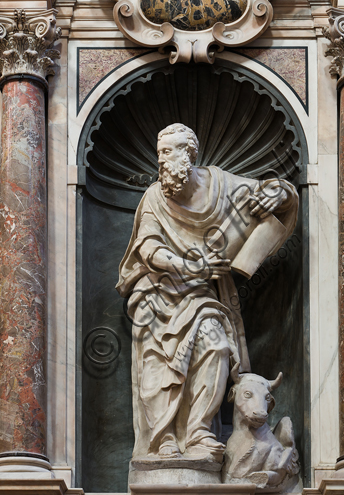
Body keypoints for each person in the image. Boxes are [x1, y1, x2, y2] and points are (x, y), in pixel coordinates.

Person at [116, 123, 298, 462]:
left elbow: (277, 194)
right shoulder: (156, 196)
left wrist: (279, 193)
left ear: (190, 153)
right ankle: (163, 439)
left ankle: (199, 432)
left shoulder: (222, 185)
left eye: (170, 151)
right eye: (161, 153)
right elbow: (148, 248)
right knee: (158, 363)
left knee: (215, 345)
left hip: (202, 295)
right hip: (157, 292)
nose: (163, 161)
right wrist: (189, 267)